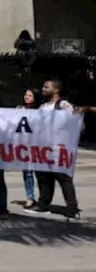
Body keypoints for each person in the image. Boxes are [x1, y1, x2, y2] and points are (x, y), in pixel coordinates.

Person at [26, 79, 80, 218]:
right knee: (43, 177)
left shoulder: (63, 105)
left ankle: (72, 207)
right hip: (43, 148)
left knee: (63, 177)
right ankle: (44, 204)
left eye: (46, 87)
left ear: (56, 90)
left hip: (58, 148)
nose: (43, 89)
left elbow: (71, 122)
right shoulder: (43, 106)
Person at [19, 88, 42, 210]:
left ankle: (44, 199)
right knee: (27, 173)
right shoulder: (20, 110)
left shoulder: (41, 110)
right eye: (25, 94)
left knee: (41, 174)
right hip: (24, 146)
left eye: (30, 95)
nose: (26, 97)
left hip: (39, 146)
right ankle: (30, 197)